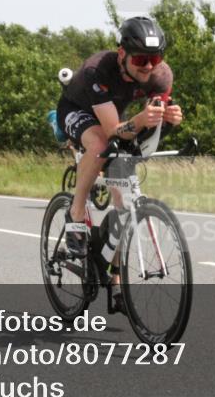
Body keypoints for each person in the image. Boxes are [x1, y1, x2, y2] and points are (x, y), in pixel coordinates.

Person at [56, 16, 183, 258]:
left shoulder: (161, 77)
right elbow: (113, 130)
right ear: (122, 53)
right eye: (140, 59)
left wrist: (167, 120)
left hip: (113, 114)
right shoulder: (98, 70)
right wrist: (140, 120)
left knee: (124, 203)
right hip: (77, 109)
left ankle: (115, 274)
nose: (149, 66)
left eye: (155, 59)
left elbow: (145, 131)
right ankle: (76, 212)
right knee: (99, 144)